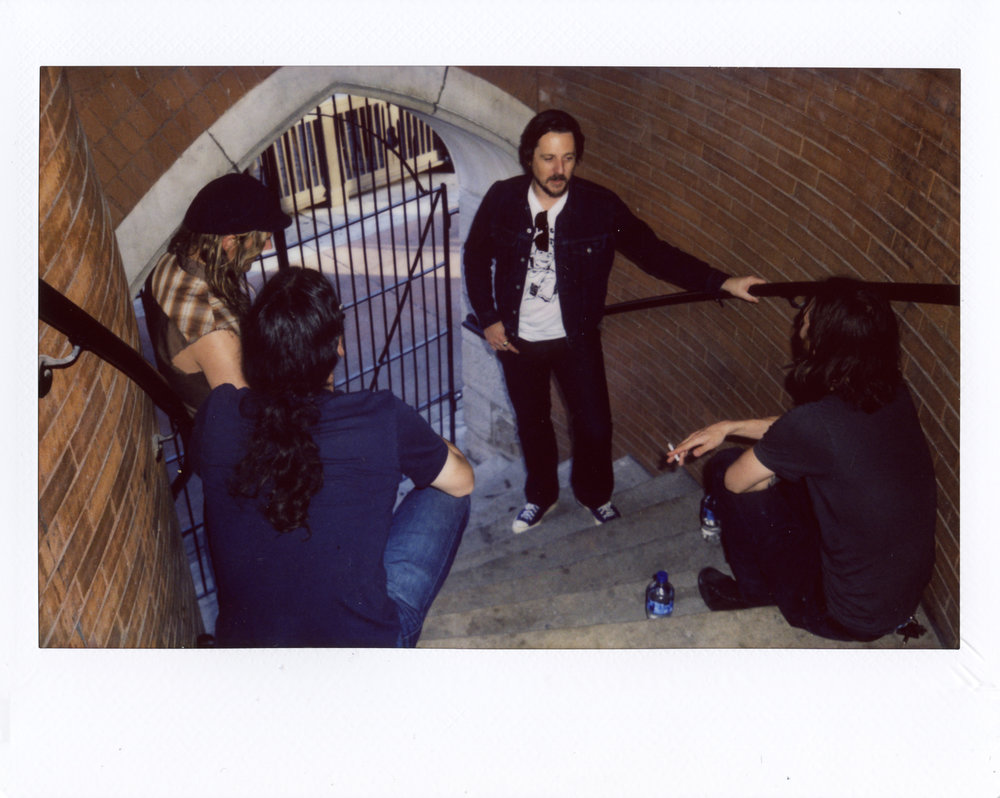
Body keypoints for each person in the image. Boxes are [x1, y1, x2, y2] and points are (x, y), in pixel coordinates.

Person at [464, 109, 764, 533]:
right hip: (517, 340)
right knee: (533, 422)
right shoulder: (501, 199)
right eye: (549, 158)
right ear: (529, 156)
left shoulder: (599, 207)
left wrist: (723, 281)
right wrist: (490, 318)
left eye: (568, 158)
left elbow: (655, 254)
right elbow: (476, 259)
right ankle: (541, 497)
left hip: (576, 338)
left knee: (595, 425)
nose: (559, 170)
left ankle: (595, 495)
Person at [190, 267, 474, 647]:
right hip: (359, 653)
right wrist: (415, 439)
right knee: (446, 494)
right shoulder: (380, 415)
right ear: (337, 344)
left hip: (248, 653)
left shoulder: (218, 412)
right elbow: (462, 480)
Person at [670, 277, 936, 642]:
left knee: (723, 469)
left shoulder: (816, 424)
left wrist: (734, 442)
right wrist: (730, 426)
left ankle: (756, 593)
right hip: (898, 595)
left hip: (845, 613)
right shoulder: (890, 389)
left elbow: (738, 481)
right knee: (782, 476)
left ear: (826, 340)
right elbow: (807, 435)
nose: (801, 323)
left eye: (808, 318)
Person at [143, 172, 292, 413]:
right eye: (263, 238)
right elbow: (247, 418)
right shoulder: (216, 332)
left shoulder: (170, 260)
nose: (268, 247)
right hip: (229, 435)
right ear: (230, 242)